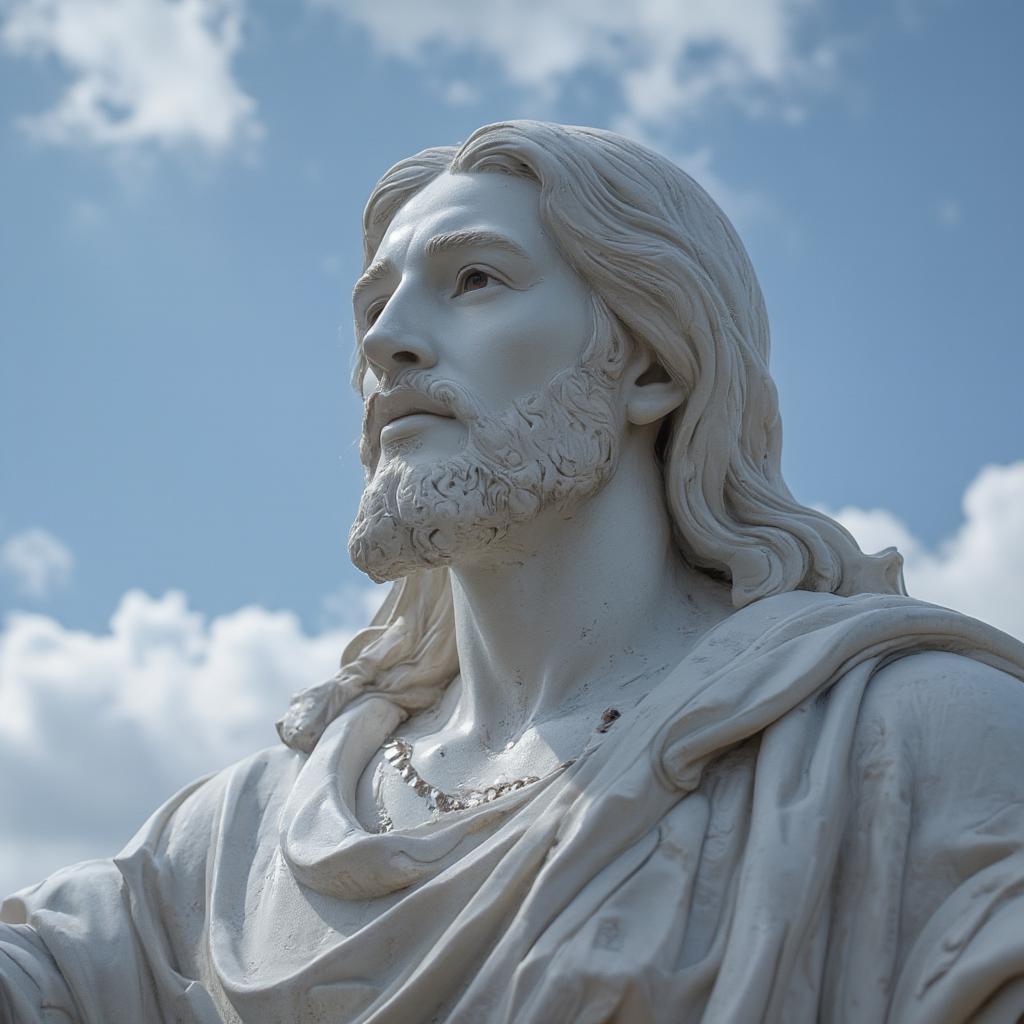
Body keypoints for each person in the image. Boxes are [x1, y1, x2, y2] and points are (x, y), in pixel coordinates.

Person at [2, 120, 1023, 1024]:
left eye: (474, 279)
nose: (387, 343)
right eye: (373, 307)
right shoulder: (232, 841)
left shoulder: (903, 744)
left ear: (656, 365)